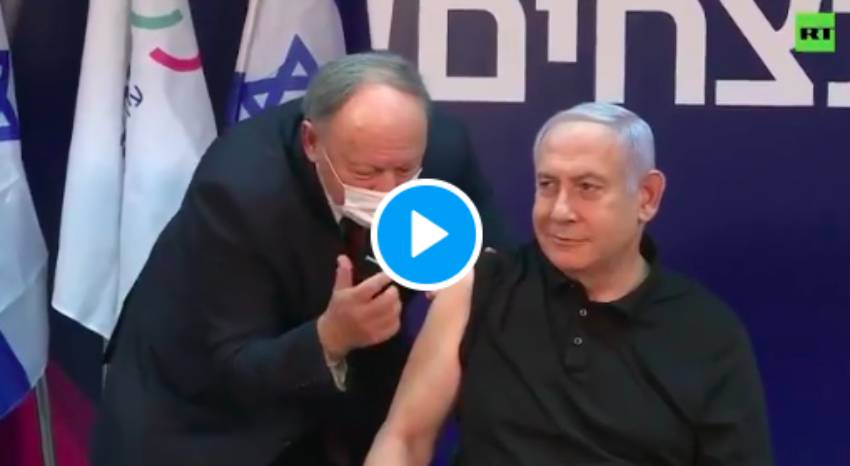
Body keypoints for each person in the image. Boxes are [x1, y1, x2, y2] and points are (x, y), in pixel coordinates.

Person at [90, 52, 508, 466]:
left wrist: (473, 283)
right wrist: (331, 337)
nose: (389, 191)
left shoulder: (439, 150)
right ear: (312, 142)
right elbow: (237, 363)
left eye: (404, 170)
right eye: (366, 173)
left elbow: (496, 261)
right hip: (203, 415)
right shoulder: (239, 190)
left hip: (343, 404)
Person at [366, 103, 774, 466]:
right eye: (547, 185)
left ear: (647, 197)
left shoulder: (707, 332)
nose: (560, 211)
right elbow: (404, 440)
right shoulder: (479, 289)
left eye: (587, 188)